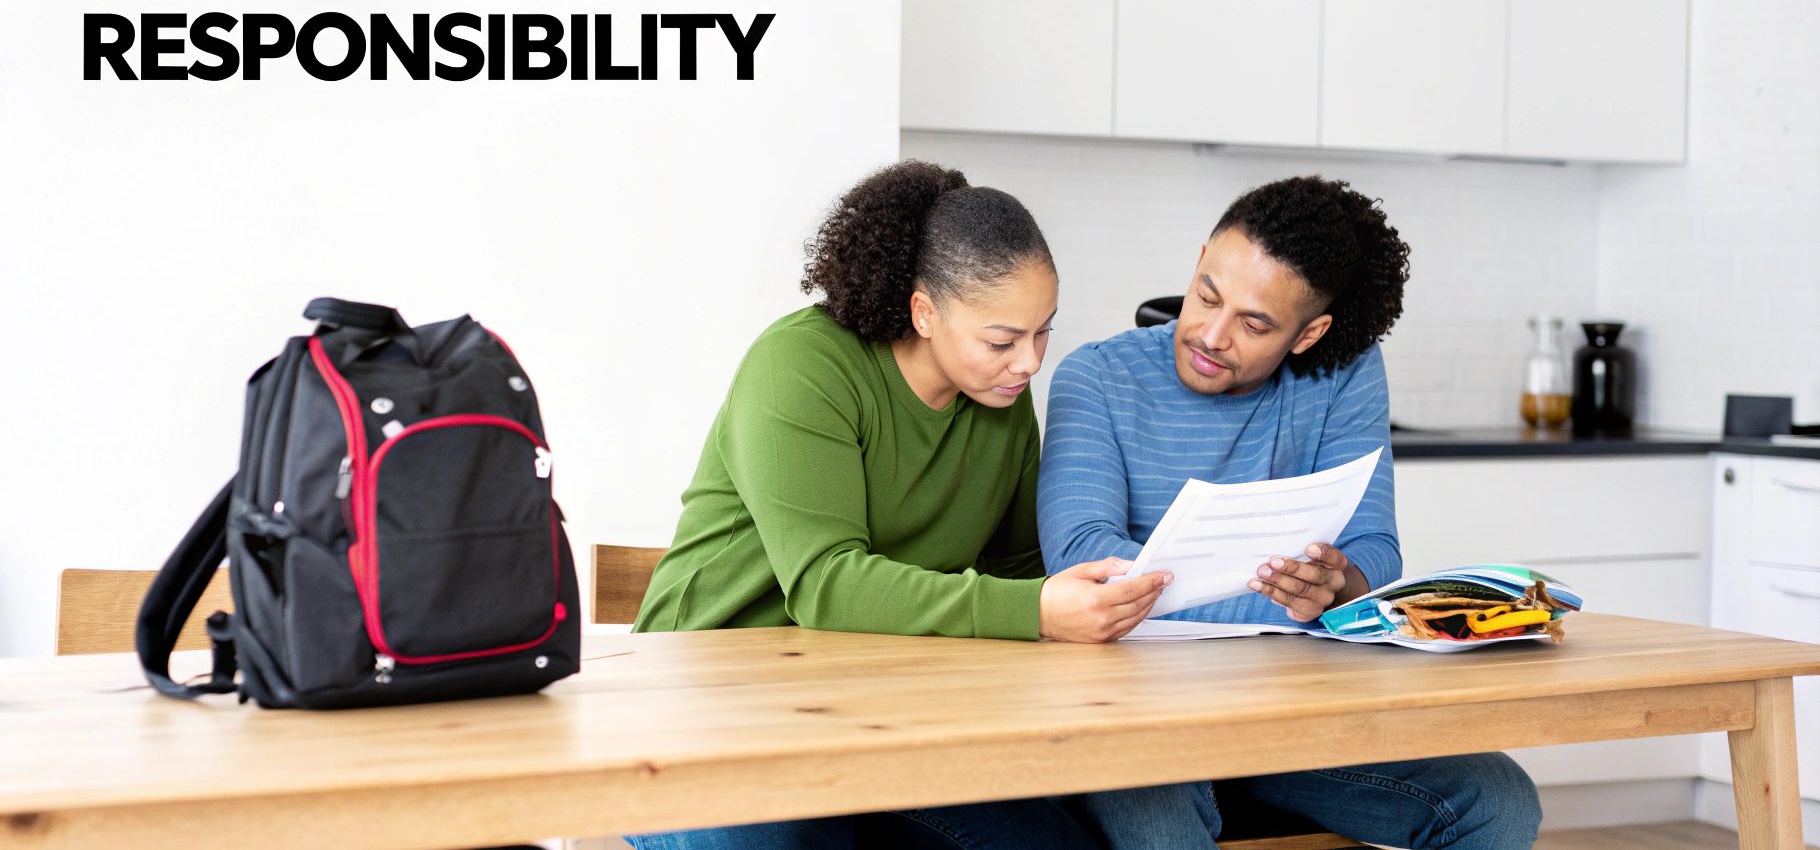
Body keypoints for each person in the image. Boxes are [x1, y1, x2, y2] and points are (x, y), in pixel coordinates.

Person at [627, 160, 1174, 850]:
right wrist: (1036, 610)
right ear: (924, 311)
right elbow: (826, 585)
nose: (1030, 362)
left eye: (1043, 333)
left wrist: (1084, 603)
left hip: (883, 715)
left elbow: (1017, 567)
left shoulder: (998, 394)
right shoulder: (801, 366)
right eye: (1003, 340)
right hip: (704, 706)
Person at [1037, 176, 1543, 849]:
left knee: (1498, 802)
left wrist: (1341, 587)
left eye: (1254, 323)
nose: (1212, 335)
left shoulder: (1340, 375)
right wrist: (1300, 612)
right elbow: (1080, 559)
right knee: (1157, 823)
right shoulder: (1097, 377)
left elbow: (1374, 551)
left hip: (1294, 714)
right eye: (1206, 295)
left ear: (1309, 334)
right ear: (1196, 264)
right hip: (1140, 716)